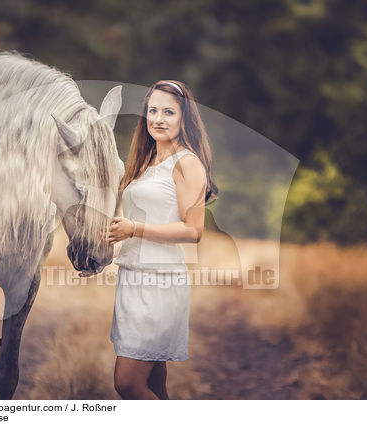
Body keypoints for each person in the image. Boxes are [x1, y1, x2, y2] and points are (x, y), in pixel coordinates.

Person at [106, 80, 219, 400]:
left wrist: (135, 228)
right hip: (132, 278)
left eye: (168, 112)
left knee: (127, 383)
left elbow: (193, 230)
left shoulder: (187, 162)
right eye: (152, 110)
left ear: (185, 118)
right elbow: (132, 218)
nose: (158, 119)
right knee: (154, 385)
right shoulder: (143, 162)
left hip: (161, 283)